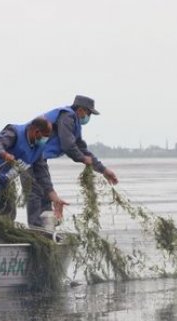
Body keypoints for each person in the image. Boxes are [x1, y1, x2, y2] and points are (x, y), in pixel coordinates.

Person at [26, 95, 119, 227]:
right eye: (89, 113)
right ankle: (36, 228)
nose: (88, 117)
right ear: (80, 110)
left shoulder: (74, 124)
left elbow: (82, 149)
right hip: (29, 155)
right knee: (35, 191)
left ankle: (45, 227)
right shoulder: (67, 117)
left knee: (45, 191)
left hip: (39, 158)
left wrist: (103, 170)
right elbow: (68, 145)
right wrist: (81, 158)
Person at [0, 117, 67, 221]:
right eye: (45, 136)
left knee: (8, 212)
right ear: (36, 132)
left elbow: (42, 175)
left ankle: (4, 236)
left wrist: (54, 197)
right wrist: (5, 155)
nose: (46, 140)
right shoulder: (14, 132)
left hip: (4, 178)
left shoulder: (38, 149)